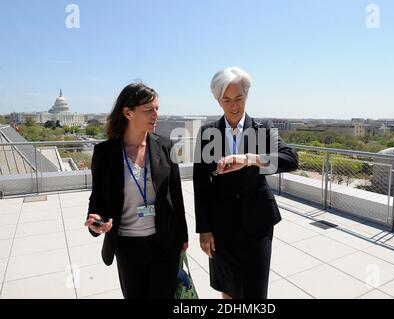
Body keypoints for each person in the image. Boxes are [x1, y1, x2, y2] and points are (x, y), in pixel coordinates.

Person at [193, 67, 299, 299]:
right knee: (228, 289)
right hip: (221, 228)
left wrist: (250, 160)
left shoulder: (262, 129)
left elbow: (291, 160)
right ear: (218, 100)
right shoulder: (207, 133)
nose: (233, 106)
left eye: (239, 98)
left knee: (254, 292)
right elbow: (201, 186)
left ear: (247, 96)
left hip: (257, 225)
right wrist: (204, 230)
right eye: (226, 100)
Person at [84, 82, 189, 299]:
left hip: (164, 244)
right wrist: (96, 222)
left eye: (157, 109)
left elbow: (176, 195)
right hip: (128, 246)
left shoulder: (166, 146)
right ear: (128, 113)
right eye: (148, 110)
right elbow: (98, 199)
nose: (156, 115)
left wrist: (182, 235)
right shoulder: (105, 153)